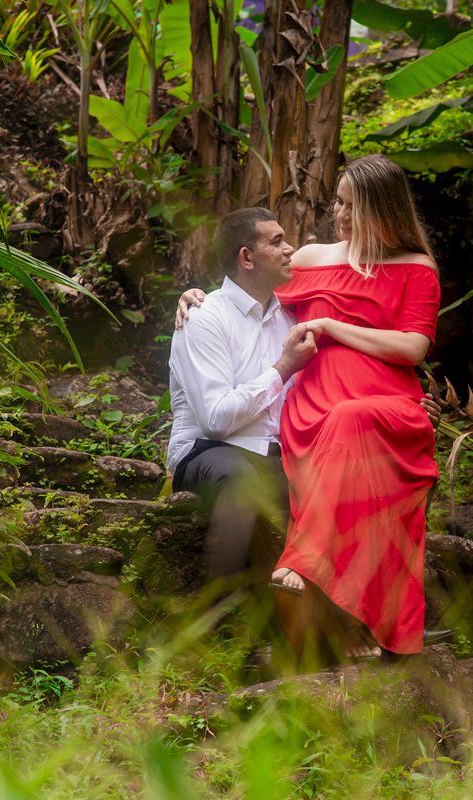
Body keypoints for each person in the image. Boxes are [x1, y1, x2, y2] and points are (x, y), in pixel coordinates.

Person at [177, 155, 442, 661]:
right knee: (342, 426)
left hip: (385, 403)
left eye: (350, 204)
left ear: (381, 207)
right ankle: (338, 624)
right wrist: (195, 298)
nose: (338, 214)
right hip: (313, 407)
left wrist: (334, 328)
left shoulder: (416, 267)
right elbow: (247, 285)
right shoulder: (311, 259)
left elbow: (413, 348)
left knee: (355, 421)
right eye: (337, 202)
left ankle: (304, 563)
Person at [167, 207, 315, 584]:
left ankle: (365, 620)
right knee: (242, 482)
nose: (290, 250)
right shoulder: (204, 316)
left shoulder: (292, 318)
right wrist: (282, 368)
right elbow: (216, 421)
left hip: (278, 455)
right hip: (210, 453)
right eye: (277, 241)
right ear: (246, 257)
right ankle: (243, 618)